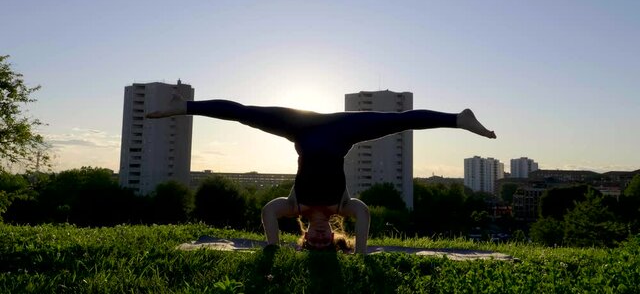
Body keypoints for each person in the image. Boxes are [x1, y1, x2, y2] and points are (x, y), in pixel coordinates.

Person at [147, 95, 496, 254]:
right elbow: (364, 212)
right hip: (343, 132)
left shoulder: (291, 207)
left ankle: (184, 107)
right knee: (398, 121)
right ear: (332, 236)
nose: (317, 237)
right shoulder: (343, 208)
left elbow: (268, 212)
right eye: (324, 241)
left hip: (300, 127)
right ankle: (457, 118)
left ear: (303, 237)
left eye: (310, 242)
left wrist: (273, 246)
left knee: (244, 113)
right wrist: (360, 250)